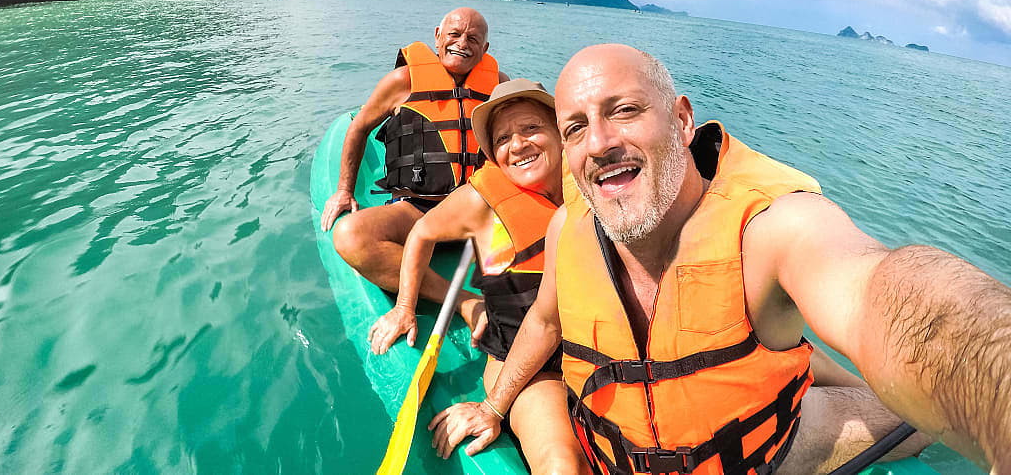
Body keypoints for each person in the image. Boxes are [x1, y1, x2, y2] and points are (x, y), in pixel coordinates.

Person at [429, 44, 1011, 473]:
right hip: (614, 450)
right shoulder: (569, 227)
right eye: (576, 127)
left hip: (766, 455)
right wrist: (494, 404)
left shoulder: (769, 225)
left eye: (625, 110)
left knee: (913, 418)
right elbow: (547, 320)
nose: (600, 141)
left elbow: (887, 295)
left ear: (682, 120)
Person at [367, 79, 591, 473]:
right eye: (503, 138)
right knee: (561, 464)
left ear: (561, 134)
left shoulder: (597, 190)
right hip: (528, 370)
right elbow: (422, 233)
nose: (518, 144)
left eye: (531, 129)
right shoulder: (480, 200)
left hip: (595, 354)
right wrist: (405, 306)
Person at [322, 7, 508, 326]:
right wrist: (343, 190)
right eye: (454, 34)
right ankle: (462, 300)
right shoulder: (402, 81)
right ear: (437, 36)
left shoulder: (499, 86)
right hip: (417, 211)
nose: (462, 43)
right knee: (351, 235)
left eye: (474, 39)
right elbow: (359, 128)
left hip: (478, 210)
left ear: (485, 49)